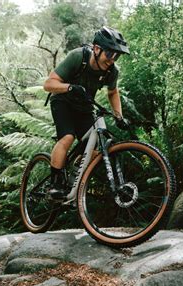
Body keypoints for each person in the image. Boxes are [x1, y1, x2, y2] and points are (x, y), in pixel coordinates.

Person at [43, 26, 130, 199]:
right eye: (110, 54)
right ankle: (55, 184)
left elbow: (113, 92)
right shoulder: (78, 57)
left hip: (84, 107)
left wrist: (119, 116)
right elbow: (48, 84)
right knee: (67, 138)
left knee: (92, 151)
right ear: (97, 49)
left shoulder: (112, 71)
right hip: (62, 101)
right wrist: (69, 87)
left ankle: (76, 178)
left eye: (116, 55)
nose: (112, 60)